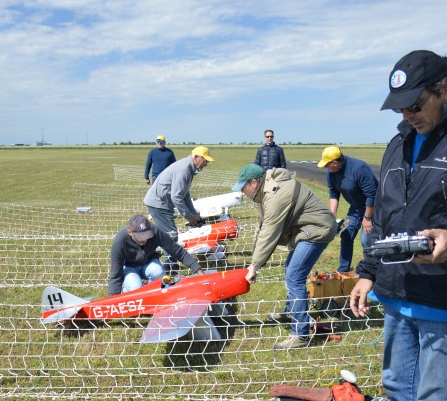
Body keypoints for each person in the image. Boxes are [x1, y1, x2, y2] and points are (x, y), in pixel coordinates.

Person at [350, 49, 447, 401]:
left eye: (416, 104)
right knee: (396, 383)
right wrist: (366, 274)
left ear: (444, 89)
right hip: (397, 293)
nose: (408, 115)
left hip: (440, 301)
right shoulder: (396, 146)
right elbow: (382, 222)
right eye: (401, 108)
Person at [233, 163, 336, 349]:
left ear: (254, 183)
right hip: (306, 229)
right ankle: (291, 312)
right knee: (291, 270)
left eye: (243, 186)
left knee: (294, 276)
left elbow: (269, 233)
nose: (242, 191)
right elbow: (263, 227)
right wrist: (253, 263)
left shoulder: (275, 196)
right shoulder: (265, 191)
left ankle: (300, 334)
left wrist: (254, 266)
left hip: (318, 230)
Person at [317, 146, 378, 272]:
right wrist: (332, 218)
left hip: (374, 207)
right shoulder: (331, 172)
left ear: (334, 162)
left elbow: (372, 195)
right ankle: (343, 269)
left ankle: (371, 271)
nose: (325, 168)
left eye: (327, 164)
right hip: (355, 208)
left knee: (366, 240)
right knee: (346, 235)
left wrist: (367, 218)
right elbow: (333, 194)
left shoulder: (359, 168)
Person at [109, 214, 202, 295]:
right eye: (141, 237)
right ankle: (126, 290)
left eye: (147, 235)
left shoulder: (155, 231)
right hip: (130, 267)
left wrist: (200, 272)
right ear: (130, 232)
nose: (145, 239)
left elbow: (177, 251)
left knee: (159, 272)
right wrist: (113, 299)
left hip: (149, 263)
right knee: (136, 288)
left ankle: (152, 292)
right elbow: (115, 273)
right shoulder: (120, 241)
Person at [143, 145, 214, 249]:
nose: (206, 164)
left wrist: (193, 212)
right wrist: (189, 216)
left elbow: (185, 194)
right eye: (204, 160)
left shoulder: (189, 169)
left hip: (162, 203)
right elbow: (176, 197)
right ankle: (169, 264)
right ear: (195, 157)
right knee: (172, 235)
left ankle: (157, 256)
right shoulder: (184, 170)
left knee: (167, 234)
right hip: (158, 203)